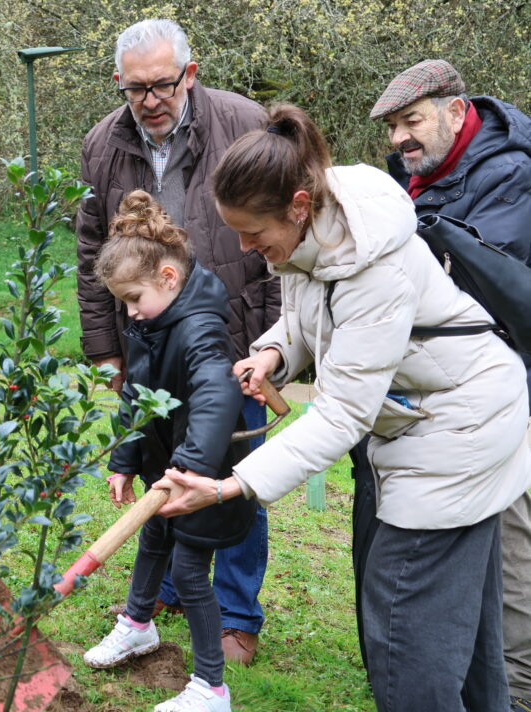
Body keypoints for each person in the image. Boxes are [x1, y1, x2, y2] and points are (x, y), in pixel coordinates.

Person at [156, 104, 530, 711]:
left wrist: (230, 487)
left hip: (459, 429)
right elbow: (309, 316)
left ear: (298, 205)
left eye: (254, 233)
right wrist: (274, 352)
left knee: (405, 635)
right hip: (433, 416)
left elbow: (342, 414)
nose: (247, 248)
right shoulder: (315, 231)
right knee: (468, 641)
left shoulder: (371, 266)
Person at [75, 17, 278, 663]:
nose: (151, 99)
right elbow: (92, 249)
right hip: (149, 342)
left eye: (163, 84)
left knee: (235, 476)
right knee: (162, 463)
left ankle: (237, 616)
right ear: (119, 83)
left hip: (235, 334)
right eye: (136, 88)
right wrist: (106, 345)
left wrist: (274, 343)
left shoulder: (243, 123)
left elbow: (280, 239)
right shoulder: (103, 144)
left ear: (189, 74)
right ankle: (160, 596)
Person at [371, 60, 531, 711]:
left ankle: (518, 692)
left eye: (411, 121)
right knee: (473, 565)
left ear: (456, 111)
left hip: (508, 396)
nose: (399, 139)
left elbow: (478, 289)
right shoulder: (416, 178)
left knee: (511, 552)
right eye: (391, 128)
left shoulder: (509, 175)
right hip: (444, 402)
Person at [82, 191, 254, 712]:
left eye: (135, 298)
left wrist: (191, 468)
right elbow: (135, 393)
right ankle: (138, 624)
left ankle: (211, 688)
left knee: (188, 573)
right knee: (153, 539)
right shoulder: (151, 323)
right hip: (165, 468)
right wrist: (123, 460)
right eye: (124, 303)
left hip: (202, 474)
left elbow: (216, 396)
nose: (130, 312)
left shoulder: (200, 327)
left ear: (169, 277)